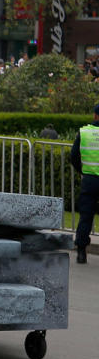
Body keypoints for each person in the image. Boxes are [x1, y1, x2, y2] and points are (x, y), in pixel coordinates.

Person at [72, 105, 99, 264]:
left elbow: (74, 156)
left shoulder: (84, 132)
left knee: (86, 216)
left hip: (89, 180)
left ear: (95, 115)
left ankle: (81, 251)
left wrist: (82, 170)